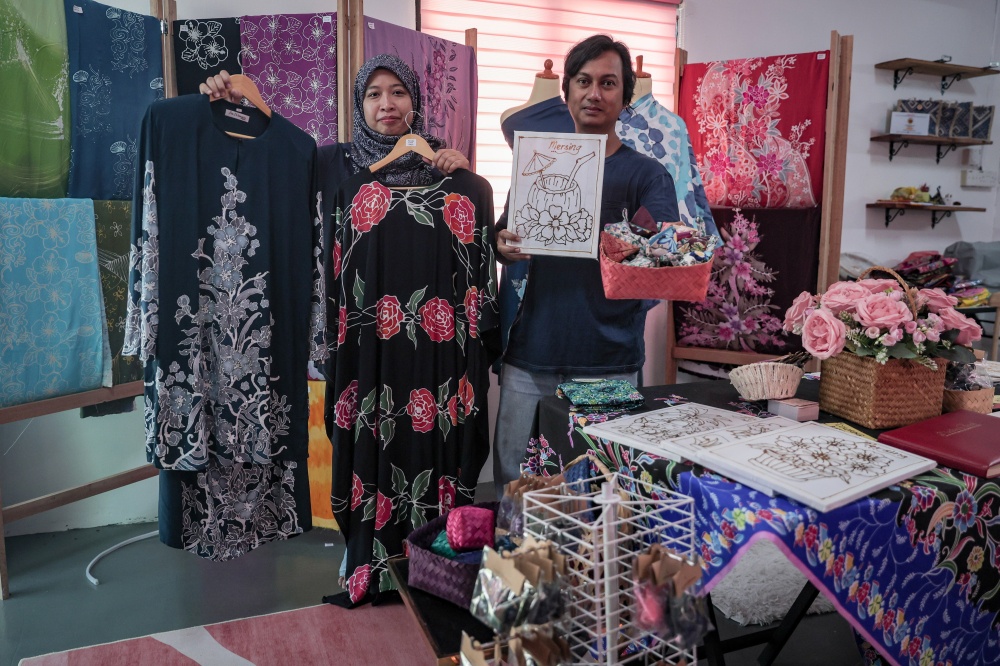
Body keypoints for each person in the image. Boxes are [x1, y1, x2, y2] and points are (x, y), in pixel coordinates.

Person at [198, 56, 487, 598]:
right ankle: (369, 555)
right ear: (359, 104)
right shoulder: (331, 163)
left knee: (430, 447)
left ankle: (437, 560)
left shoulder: (449, 174)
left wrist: (463, 172)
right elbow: (270, 159)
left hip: (434, 353)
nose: (386, 105)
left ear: (415, 101)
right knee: (369, 442)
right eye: (374, 94)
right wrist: (235, 103)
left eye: (398, 92)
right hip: (365, 347)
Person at [492, 35, 680, 492]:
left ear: (625, 96)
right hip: (531, 351)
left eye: (608, 83)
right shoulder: (538, 161)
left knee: (601, 489)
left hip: (607, 357)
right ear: (567, 92)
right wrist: (504, 244)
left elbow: (663, 253)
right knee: (514, 481)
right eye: (584, 81)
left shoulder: (647, 174)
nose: (594, 93)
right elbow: (502, 236)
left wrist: (623, 244)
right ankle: (514, 565)